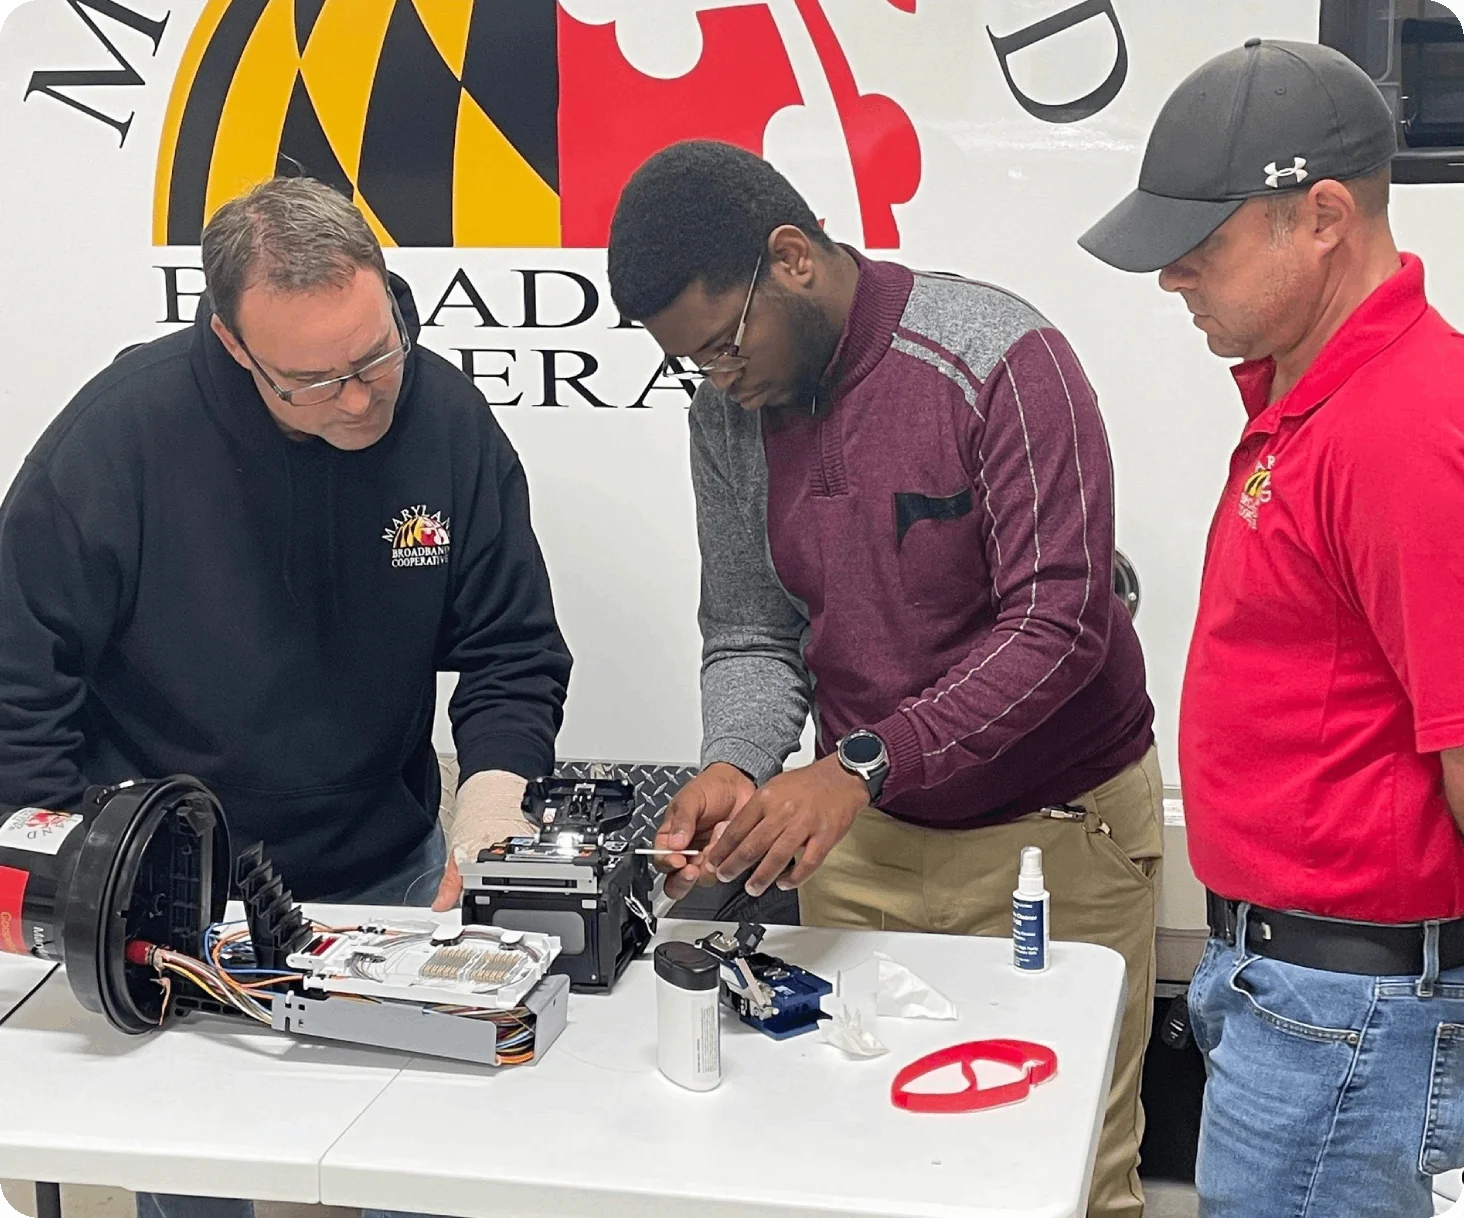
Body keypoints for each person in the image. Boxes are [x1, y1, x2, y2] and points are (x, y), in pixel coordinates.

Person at [608, 140, 1161, 1218]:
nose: (722, 380)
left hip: (1054, 844)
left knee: (1067, 1176)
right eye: (695, 366)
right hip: (859, 846)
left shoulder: (1000, 355)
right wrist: (736, 759)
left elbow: (1059, 624)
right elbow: (751, 630)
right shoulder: (729, 414)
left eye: (725, 345)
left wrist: (862, 760)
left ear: (792, 258)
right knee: (860, 1163)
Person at [0, 176, 571, 1218]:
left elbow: (512, 648)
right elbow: (15, 679)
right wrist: (80, 880)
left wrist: (488, 817)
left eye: (376, 355)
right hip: (178, 904)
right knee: (201, 1188)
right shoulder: (120, 437)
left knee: (418, 1176)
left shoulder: (443, 417)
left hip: (388, 881)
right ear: (231, 343)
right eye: (313, 382)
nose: (359, 400)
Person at [1080, 38, 1464, 1218]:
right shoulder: (1318, 402)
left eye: (1202, 246)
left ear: (1324, 217)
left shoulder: (1403, 426)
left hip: (1345, 1023)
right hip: (1301, 998)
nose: (1171, 278)